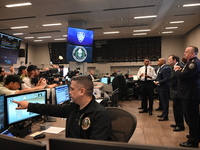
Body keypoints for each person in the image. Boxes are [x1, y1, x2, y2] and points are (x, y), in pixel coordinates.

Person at [13, 76, 111, 140]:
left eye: (72, 89)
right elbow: (52, 109)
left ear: (82, 92)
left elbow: (96, 146)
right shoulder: (75, 108)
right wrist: (29, 105)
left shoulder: (99, 114)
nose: (69, 92)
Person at [174, 46, 200, 148]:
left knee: (191, 118)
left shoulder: (193, 64)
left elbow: (184, 76)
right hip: (190, 94)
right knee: (193, 118)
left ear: (193, 54)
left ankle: (192, 141)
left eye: (187, 52)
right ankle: (195, 136)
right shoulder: (191, 63)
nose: (184, 54)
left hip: (190, 95)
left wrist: (177, 70)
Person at [167, 55, 185, 132]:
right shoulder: (174, 67)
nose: (168, 61)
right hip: (174, 91)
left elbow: (180, 79)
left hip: (178, 91)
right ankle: (178, 123)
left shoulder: (179, 66)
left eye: (169, 59)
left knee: (178, 109)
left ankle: (180, 125)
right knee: (176, 108)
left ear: (174, 60)